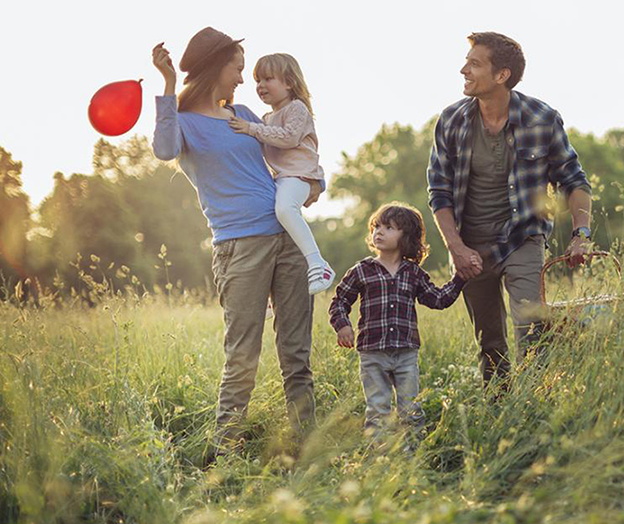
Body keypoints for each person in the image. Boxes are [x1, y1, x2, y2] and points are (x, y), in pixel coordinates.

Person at [151, 28, 319, 458]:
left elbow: (288, 152)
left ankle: (309, 447)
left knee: (296, 355)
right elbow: (164, 149)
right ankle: (225, 453)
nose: (244, 80)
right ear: (215, 68)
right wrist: (168, 86)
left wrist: (311, 184)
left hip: (287, 238)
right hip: (239, 247)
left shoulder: (243, 112)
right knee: (242, 356)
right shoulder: (184, 123)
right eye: (238, 69)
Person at [427, 32, 594, 388]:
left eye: (474, 64)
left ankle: (537, 404)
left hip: (523, 237)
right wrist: (457, 248)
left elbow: (575, 182)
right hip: (470, 245)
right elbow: (438, 192)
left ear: (501, 75)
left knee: (531, 330)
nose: (463, 70)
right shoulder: (452, 121)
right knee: (490, 345)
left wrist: (582, 235)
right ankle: (501, 414)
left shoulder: (542, 118)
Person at [328, 203, 465, 446]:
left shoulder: (413, 273)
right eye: (376, 227)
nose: (379, 232)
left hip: (405, 353)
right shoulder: (362, 270)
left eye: (389, 228)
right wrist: (342, 325)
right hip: (372, 353)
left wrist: (460, 278)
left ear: (406, 237)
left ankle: (411, 455)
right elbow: (339, 300)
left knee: (410, 409)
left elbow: (437, 299)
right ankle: (379, 456)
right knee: (378, 409)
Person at [227, 53, 335, 295]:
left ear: (288, 82)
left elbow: (288, 137)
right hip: (283, 179)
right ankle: (263, 292)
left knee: (285, 209)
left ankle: (318, 263)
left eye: (268, 79)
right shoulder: (266, 118)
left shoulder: (296, 109)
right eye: (257, 80)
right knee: (266, 218)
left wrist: (251, 129)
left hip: (302, 175)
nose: (260, 86)